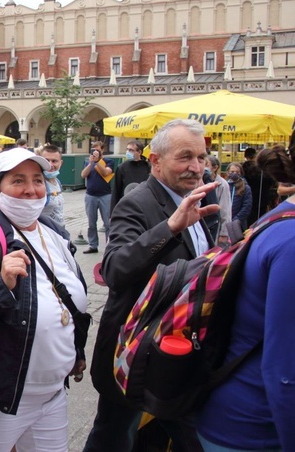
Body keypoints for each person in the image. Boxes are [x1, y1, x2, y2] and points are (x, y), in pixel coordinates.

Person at [84, 119, 218, 451]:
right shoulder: (138, 201)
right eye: (185, 157)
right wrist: (170, 227)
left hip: (177, 351)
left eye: (201, 157)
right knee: (115, 435)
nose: (196, 166)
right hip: (136, 353)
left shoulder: (199, 198)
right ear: (155, 161)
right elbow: (114, 269)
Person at [0, 148, 87, 451]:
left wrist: (75, 352)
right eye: (18, 181)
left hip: (52, 396)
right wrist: (1, 284)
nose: (31, 189)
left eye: (38, 180)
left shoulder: (56, 234)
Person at [196, 145, 295, 451]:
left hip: (238, 412)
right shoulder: (292, 240)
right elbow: (285, 376)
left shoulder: (280, 216)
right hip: (254, 429)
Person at [80, 141, 114, 254]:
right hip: (90, 195)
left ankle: (110, 245)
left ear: (102, 150)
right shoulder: (88, 162)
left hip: (105, 195)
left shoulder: (108, 161)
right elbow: (83, 175)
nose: (94, 152)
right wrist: (91, 163)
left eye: (97, 150)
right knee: (91, 223)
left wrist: (98, 161)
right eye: (93, 149)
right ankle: (93, 245)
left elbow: (106, 173)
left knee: (108, 223)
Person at [110, 140, 151, 212]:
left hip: (144, 206)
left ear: (139, 152)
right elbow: (116, 191)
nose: (128, 152)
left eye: (131, 150)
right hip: (126, 206)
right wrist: (112, 212)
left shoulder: (148, 167)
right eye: (127, 149)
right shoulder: (122, 168)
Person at [242, 147, 277, 227]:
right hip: (263, 199)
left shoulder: (244, 168)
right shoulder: (265, 171)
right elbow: (271, 182)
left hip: (249, 199)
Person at [37, 144, 66, 227]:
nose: (50, 165)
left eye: (54, 161)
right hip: (46, 232)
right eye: (47, 161)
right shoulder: (37, 183)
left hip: (60, 231)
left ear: (61, 163)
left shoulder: (58, 182)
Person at [206, 155, 232, 245]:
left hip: (215, 227)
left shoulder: (222, 184)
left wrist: (224, 233)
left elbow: (225, 210)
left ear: (215, 168)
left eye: (207, 164)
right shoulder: (201, 182)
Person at [226, 162, 253, 229]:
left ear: (241, 173)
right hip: (225, 222)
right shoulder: (224, 186)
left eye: (237, 172)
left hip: (239, 224)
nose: (234, 173)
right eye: (232, 171)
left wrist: (236, 219)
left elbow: (247, 207)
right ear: (228, 172)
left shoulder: (245, 188)